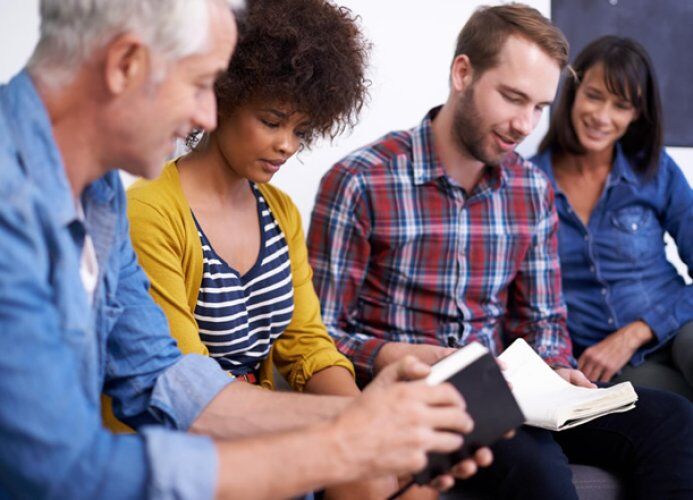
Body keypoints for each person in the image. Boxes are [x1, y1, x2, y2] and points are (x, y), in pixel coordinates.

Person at [0, 0, 491, 497]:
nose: (207, 113)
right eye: (199, 84)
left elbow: (162, 380)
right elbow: (61, 469)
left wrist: (371, 419)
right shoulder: (13, 206)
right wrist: (339, 446)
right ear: (126, 64)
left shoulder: (99, 195)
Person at [308, 3, 693, 499]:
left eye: (539, 106)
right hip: (419, 396)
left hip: (510, 391)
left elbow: (545, 321)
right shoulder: (361, 181)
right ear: (462, 72)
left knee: (675, 419)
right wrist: (391, 354)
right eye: (513, 98)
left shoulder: (531, 189)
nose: (525, 124)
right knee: (535, 467)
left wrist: (558, 370)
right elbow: (316, 337)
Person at [116, 0, 396, 496]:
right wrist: (354, 424)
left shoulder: (280, 211)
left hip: (264, 424)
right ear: (222, 98)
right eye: (272, 121)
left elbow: (306, 343)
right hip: (184, 443)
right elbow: (184, 386)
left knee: (388, 475)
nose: (288, 145)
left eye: (301, 131)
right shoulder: (152, 212)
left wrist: (365, 422)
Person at [531, 35, 693, 400]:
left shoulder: (656, 171)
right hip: (610, 365)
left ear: (637, 114)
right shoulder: (529, 185)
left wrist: (638, 330)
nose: (602, 117)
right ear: (573, 91)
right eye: (594, 95)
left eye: (621, 105)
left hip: (681, 327)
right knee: (671, 408)